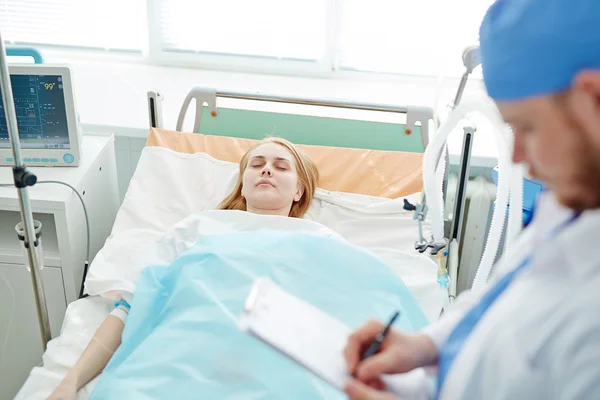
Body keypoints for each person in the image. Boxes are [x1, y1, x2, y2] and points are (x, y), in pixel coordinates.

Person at [343, 0, 600, 399]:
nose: (515, 158)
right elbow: (500, 300)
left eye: (527, 128)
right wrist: (426, 346)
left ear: (594, 100)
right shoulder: (574, 207)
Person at [47, 136, 319, 399]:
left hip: (266, 361)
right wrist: (70, 383)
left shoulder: (319, 240)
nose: (267, 170)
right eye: (256, 165)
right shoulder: (200, 227)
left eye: (281, 167)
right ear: (243, 186)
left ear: (299, 190)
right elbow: (134, 304)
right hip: (188, 350)